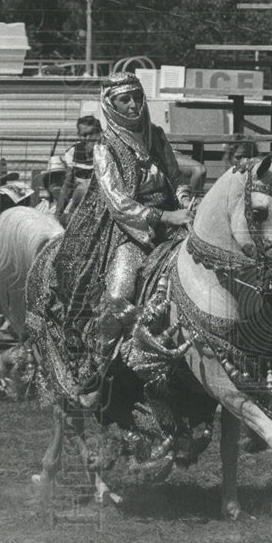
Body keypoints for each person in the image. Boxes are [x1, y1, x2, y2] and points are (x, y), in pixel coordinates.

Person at [55, 72, 193, 402]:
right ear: (111, 104)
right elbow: (118, 202)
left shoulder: (156, 136)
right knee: (117, 295)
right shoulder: (105, 149)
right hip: (131, 232)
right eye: (124, 99)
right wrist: (164, 215)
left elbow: (175, 177)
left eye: (137, 97)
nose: (133, 104)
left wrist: (187, 201)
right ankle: (96, 370)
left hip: (175, 224)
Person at [57, 115, 102, 216]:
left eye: (91, 134)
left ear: (99, 134)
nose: (87, 138)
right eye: (83, 135)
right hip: (79, 202)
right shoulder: (73, 152)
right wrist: (58, 212)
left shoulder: (105, 151)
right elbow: (67, 185)